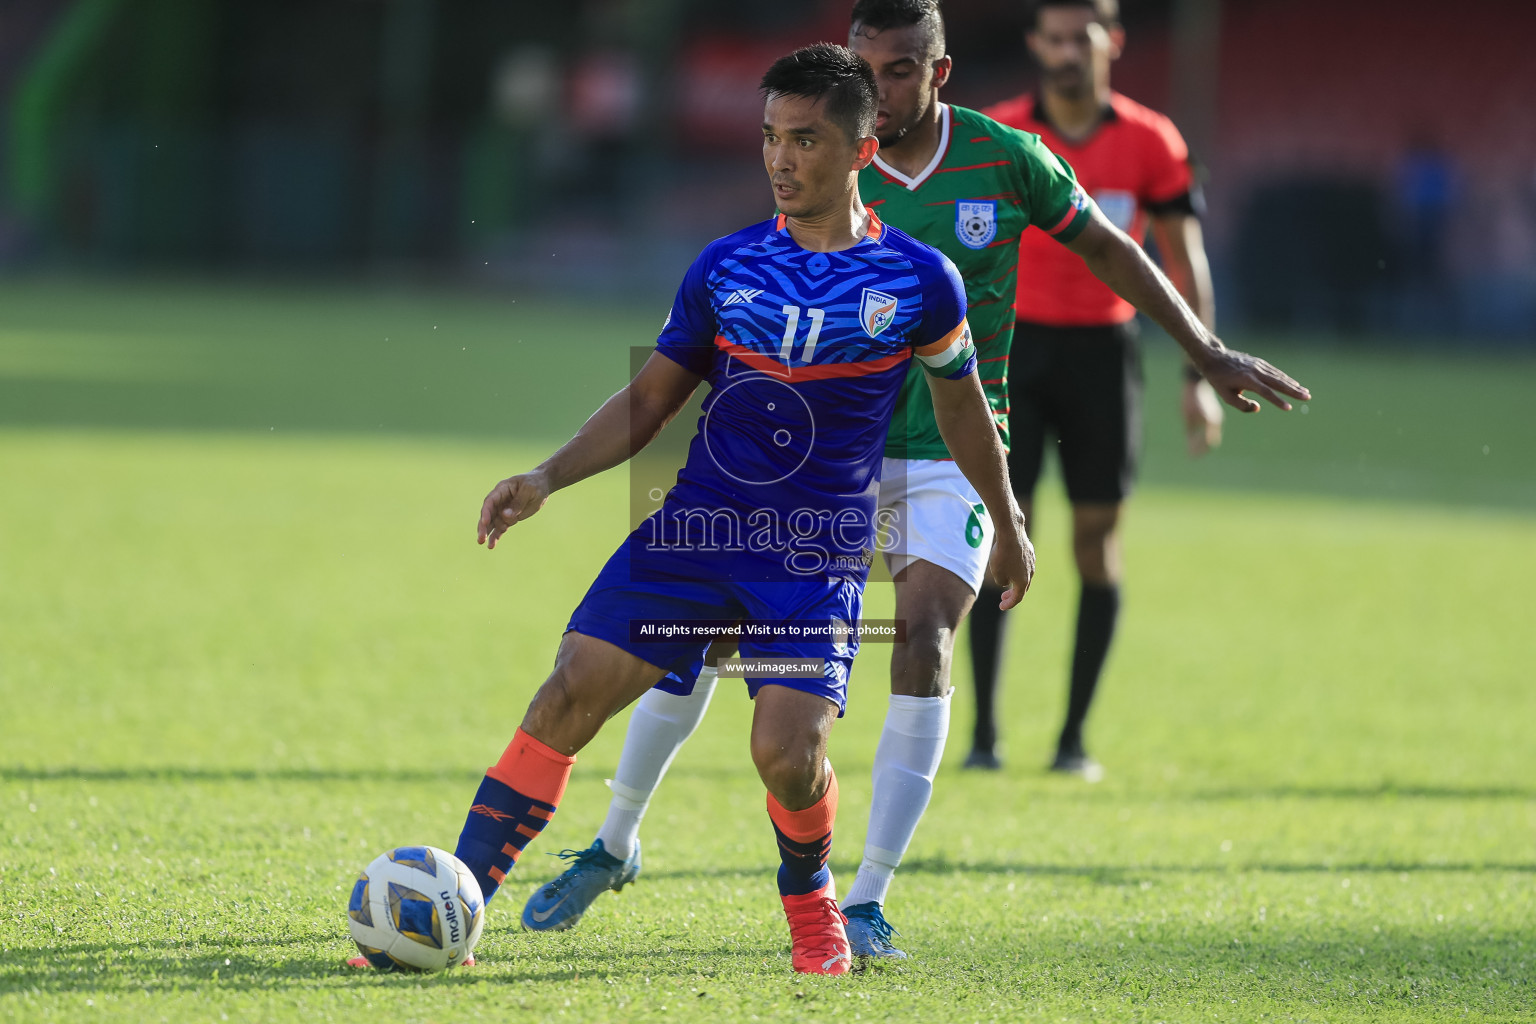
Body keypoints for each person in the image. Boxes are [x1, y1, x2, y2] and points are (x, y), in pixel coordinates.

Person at [514, 0, 1309, 963]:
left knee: (925, 632)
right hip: (806, 466)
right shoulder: (822, 159)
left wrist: (1203, 350)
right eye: (862, 67)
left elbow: (1105, 245)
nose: (874, 89)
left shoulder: (1005, 158)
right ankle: (613, 842)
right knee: (700, 636)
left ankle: (869, 898)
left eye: (895, 71)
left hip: (948, 453)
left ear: (936, 74)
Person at [370, 43, 1032, 977]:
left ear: (861, 144)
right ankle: (454, 907)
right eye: (770, 138)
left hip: (811, 557)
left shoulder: (921, 281)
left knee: (786, 754)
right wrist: (547, 478)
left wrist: (1004, 523)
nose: (781, 160)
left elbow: (964, 409)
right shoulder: (726, 267)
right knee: (567, 693)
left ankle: (812, 903)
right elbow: (649, 401)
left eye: (804, 139)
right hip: (697, 532)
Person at [968, 0, 1227, 779]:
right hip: (1010, 354)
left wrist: (1200, 371)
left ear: (1110, 41)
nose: (1065, 50)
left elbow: (1185, 260)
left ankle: (1073, 740)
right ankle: (983, 736)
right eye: (1052, 36)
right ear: (1035, 45)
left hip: (1105, 357)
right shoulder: (1001, 135)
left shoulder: (1152, 140)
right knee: (994, 545)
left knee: (1094, 544)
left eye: (1081, 35)